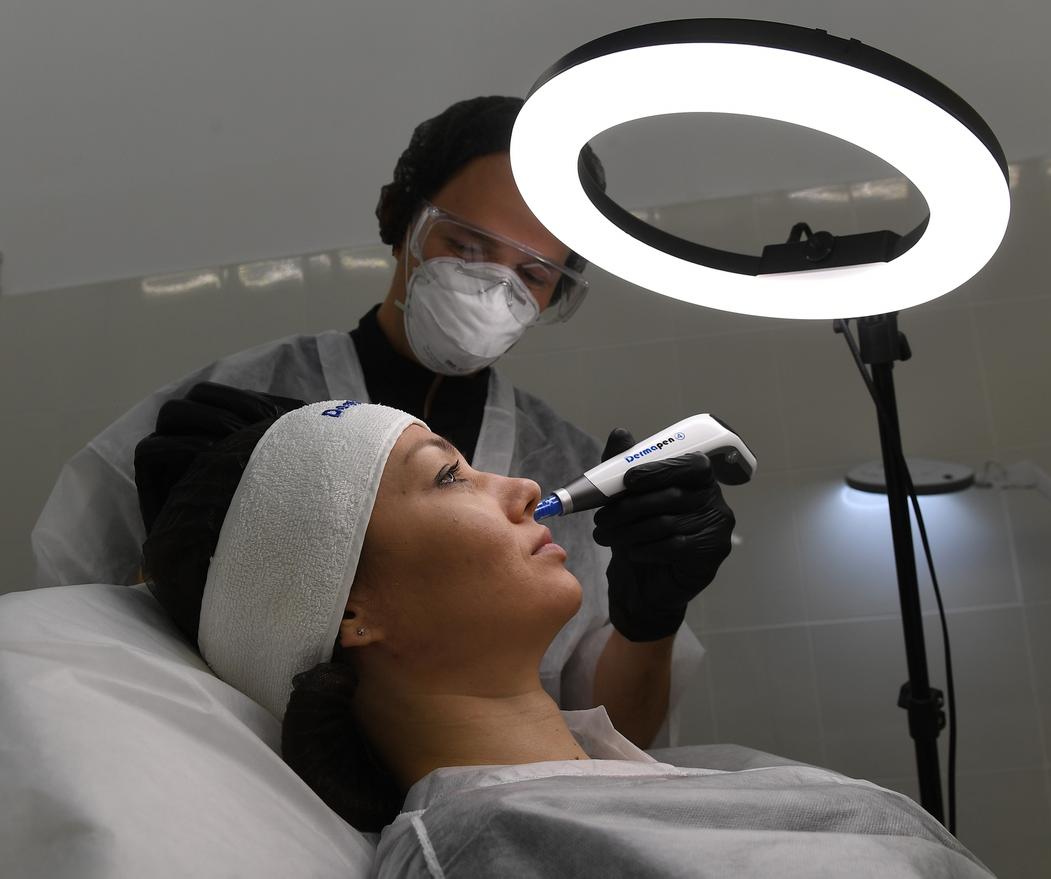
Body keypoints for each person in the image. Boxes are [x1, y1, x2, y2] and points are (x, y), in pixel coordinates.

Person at [32, 96, 735, 748]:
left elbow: (612, 739)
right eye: (466, 245)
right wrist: (168, 561)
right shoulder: (236, 409)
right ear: (400, 220)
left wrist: (651, 621)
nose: (495, 286)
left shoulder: (565, 467)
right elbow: (88, 624)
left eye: (534, 274)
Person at [133, 384, 992, 878]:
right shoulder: (481, 849)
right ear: (349, 611)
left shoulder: (629, 792)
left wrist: (651, 617)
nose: (519, 486)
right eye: (447, 476)